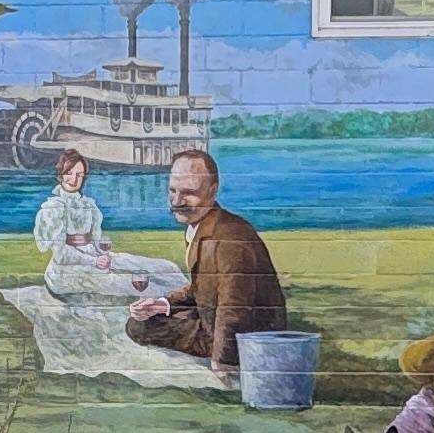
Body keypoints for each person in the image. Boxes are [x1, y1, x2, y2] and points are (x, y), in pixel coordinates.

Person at [123, 147, 287, 378]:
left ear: (213, 191)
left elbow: (234, 308)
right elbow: (205, 284)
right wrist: (164, 304)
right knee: (142, 321)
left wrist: (222, 362)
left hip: (249, 338)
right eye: (172, 191)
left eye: (188, 193)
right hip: (214, 320)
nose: (177, 201)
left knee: (140, 327)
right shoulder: (204, 224)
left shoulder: (230, 239)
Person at [33, 148, 180, 304]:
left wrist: (101, 254)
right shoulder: (53, 209)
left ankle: (182, 283)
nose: (74, 179)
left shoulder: (87, 205)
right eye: (69, 173)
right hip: (67, 272)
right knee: (127, 282)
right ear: (61, 173)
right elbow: (62, 255)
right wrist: (95, 262)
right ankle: (177, 296)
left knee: (154, 266)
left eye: (79, 175)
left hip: (94, 258)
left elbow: (95, 241)